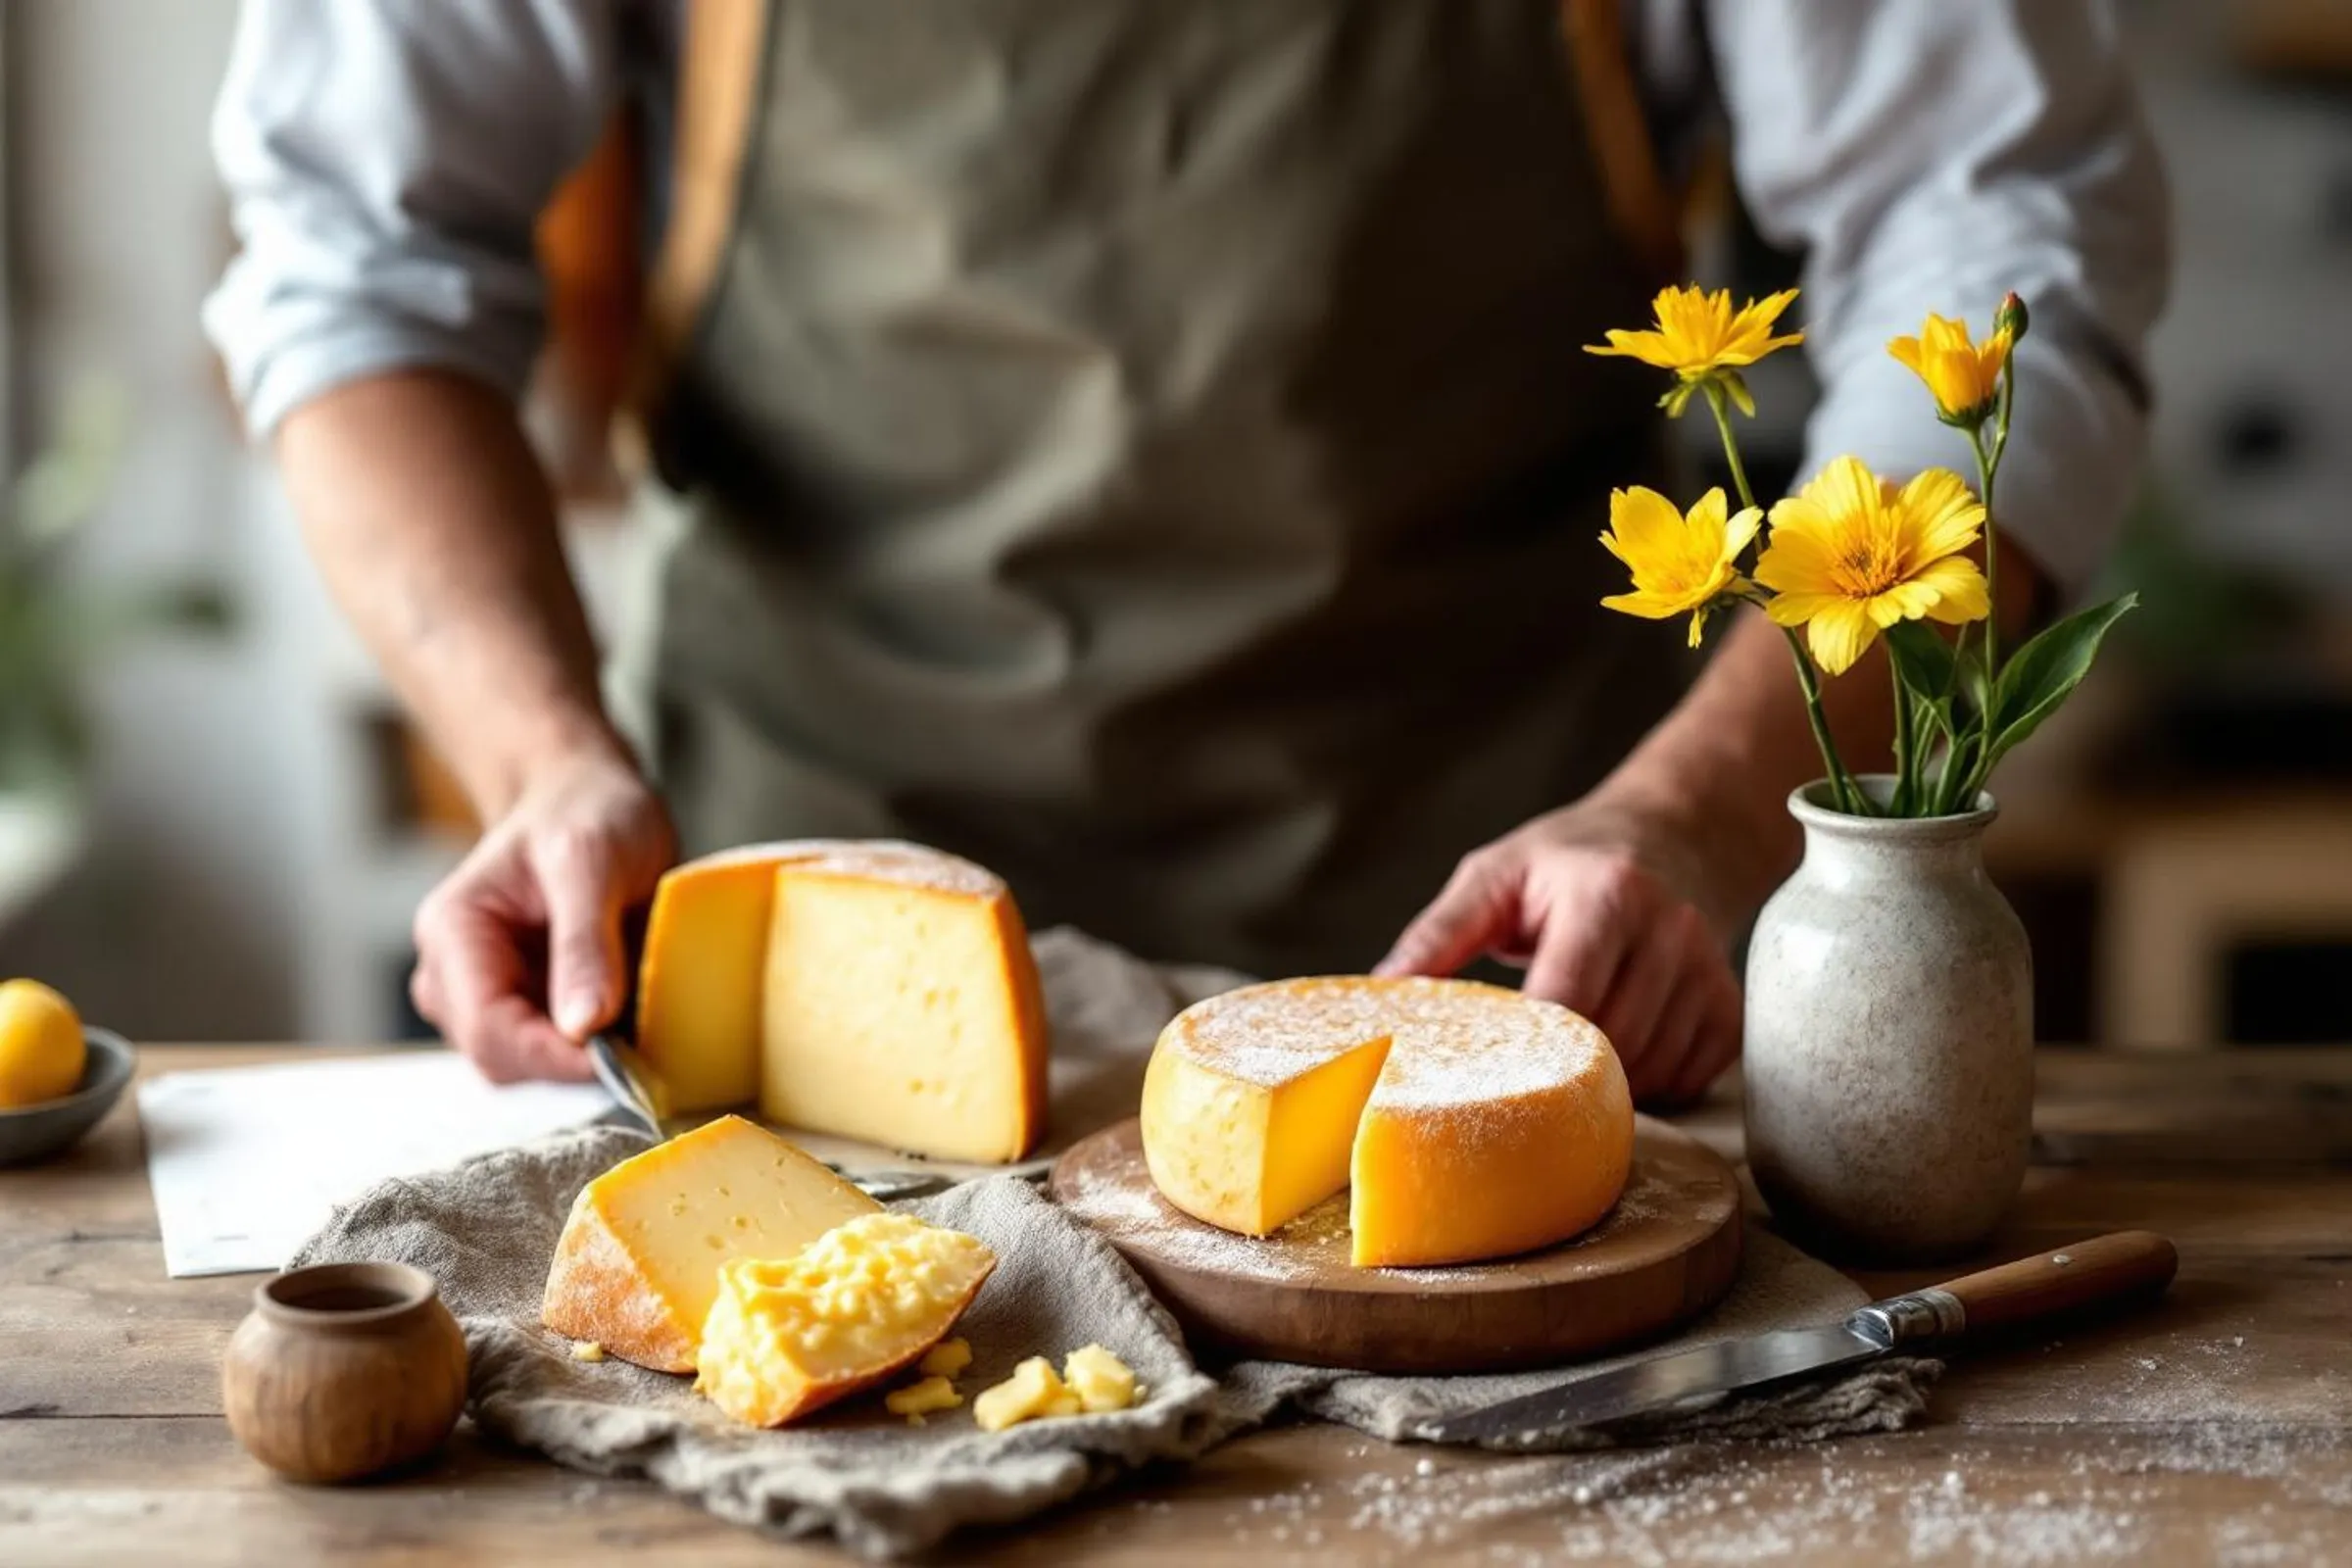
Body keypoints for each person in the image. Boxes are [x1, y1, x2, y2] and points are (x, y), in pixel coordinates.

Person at [204, 0, 2166, 1105]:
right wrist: (540, 753)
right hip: (801, 979)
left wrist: (1706, 808)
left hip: (1538, 993)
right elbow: (352, 265)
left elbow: (2001, 265)